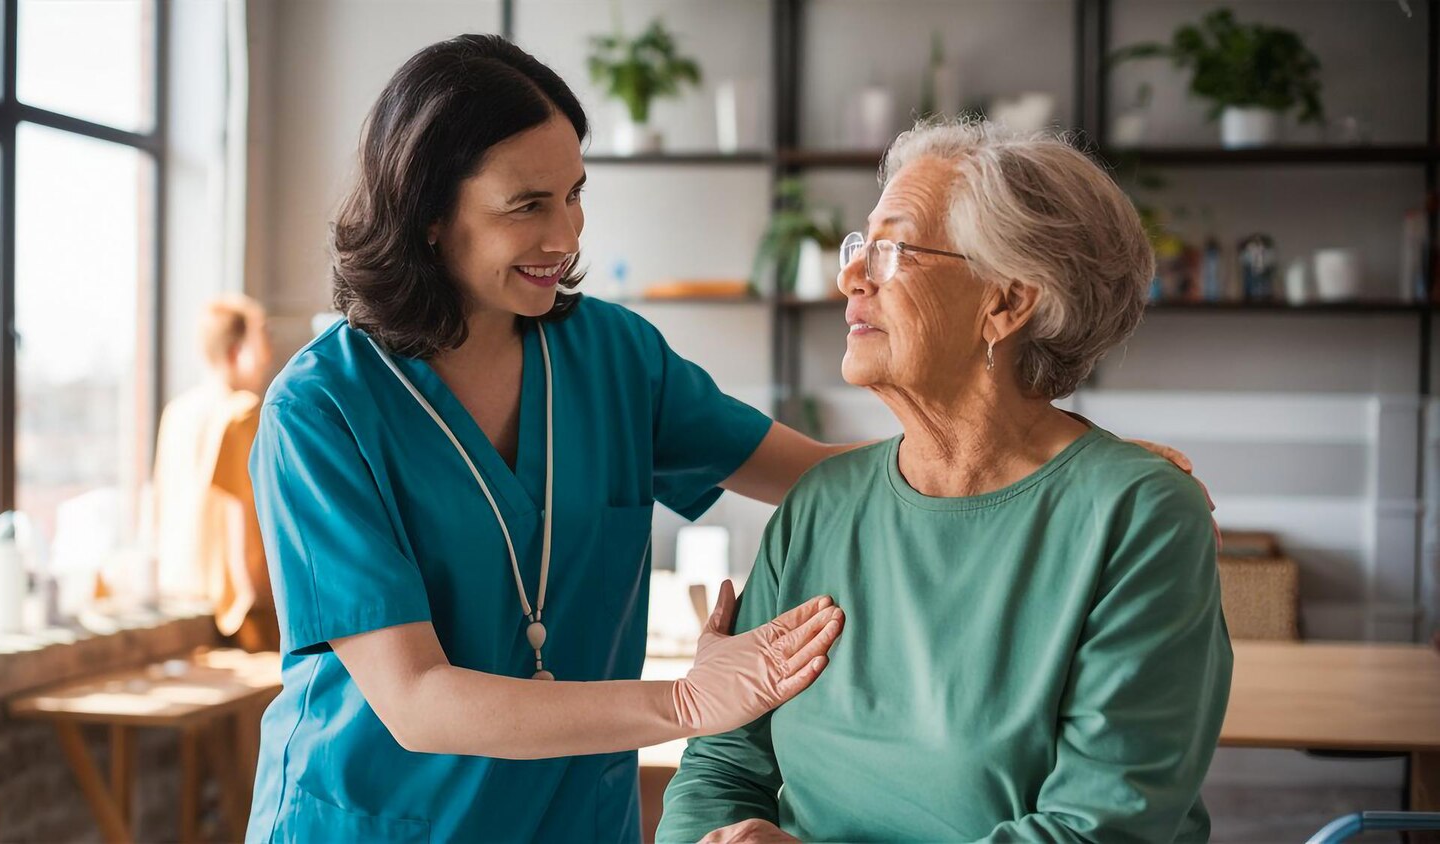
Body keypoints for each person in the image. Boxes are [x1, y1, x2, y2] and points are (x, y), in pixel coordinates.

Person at [247, 37, 1205, 843]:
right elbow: (416, 702)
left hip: (571, 811)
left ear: (1008, 300)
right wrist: (687, 705)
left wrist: (1070, 478)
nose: (566, 233)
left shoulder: (610, 358)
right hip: (377, 817)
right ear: (426, 218)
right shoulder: (323, 411)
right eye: (526, 206)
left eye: (575, 193)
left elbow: (858, 481)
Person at [657, 120, 1233, 844]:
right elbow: (723, 766)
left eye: (891, 249)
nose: (851, 275)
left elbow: (1099, 830)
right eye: (858, 246)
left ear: (1007, 301)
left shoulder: (1138, 518)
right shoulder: (819, 507)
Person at [152, 293, 277, 651]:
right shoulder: (242, 413)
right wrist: (262, 605)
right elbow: (245, 517)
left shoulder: (178, 412)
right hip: (236, 609)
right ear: (237, 351)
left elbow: (160, 503)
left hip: (181, 591)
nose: (270, 352)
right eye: (263, 337)